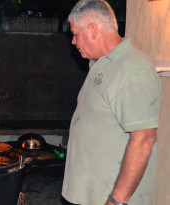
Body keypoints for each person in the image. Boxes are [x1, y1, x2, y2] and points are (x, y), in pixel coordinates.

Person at [61, 0, 161, 205]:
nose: (73, 41)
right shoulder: (102, 65)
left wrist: (116, 201)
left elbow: (144, 139)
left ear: (92, 29)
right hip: (90, 195)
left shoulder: (132, 68)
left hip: (109, 199)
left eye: (75, 34)